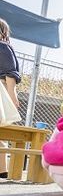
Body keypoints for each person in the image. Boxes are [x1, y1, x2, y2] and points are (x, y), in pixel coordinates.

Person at [0, 18, 22, 179]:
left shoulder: (3, 47)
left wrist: (12, 98)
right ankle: (2, 168)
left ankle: (2, 168)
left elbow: (9, 75)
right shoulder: (4, 47)